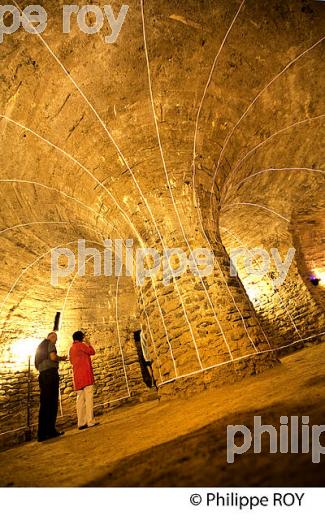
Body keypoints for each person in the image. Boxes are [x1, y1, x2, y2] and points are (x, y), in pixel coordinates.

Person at [35, 332, 67, 442]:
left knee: (44, 405)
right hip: (50, 376)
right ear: (51, 337)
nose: (56, 341)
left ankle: (42, 433)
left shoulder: (40, 346)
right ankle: (51, 431)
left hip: (42, 376)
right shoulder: (50, 343)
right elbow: (53, 357)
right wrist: (61, 358)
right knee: (52, 403)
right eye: (56, 339)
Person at [69, 331, 98, 430]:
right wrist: (88, 343)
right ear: (81, 337)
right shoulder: (81, 345)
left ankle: (81, 422)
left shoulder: (71, 349)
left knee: (80, 400)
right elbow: (92, 352)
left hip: (77, 377)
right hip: (86, 375)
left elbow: (72, 361)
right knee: (88, 398)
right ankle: (90, 421)